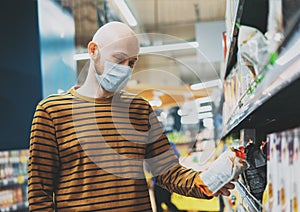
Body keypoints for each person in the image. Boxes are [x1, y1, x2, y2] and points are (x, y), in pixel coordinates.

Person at [28, 21, 235, 211]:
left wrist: (205, 183)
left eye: (132, 62)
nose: (126, 69)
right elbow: (40, 194)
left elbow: (167, 172)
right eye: (119, 59)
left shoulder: (139, 110)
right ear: (93, 50)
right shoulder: (51, 112)